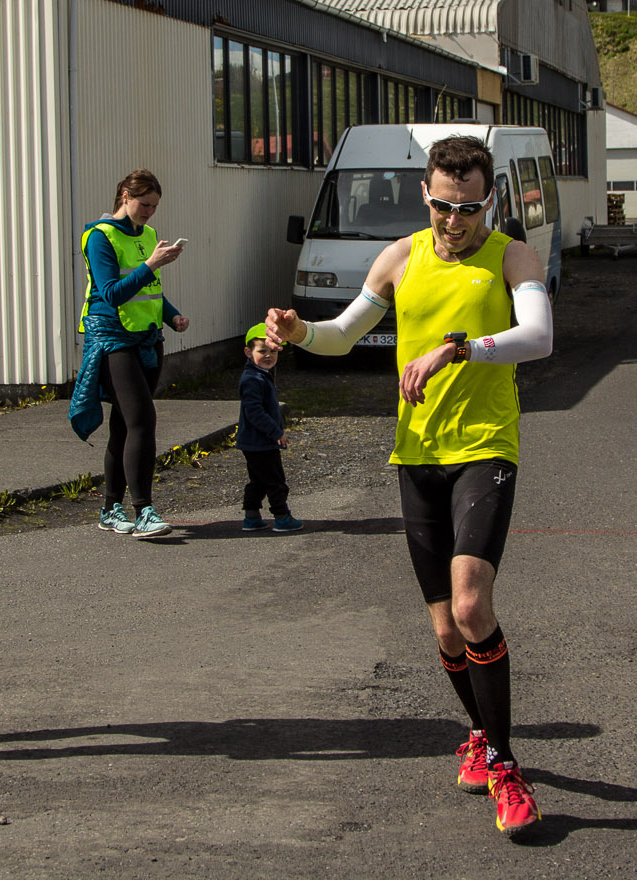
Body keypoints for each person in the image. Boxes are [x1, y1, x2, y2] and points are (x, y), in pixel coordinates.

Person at [266, 135, 553, 839]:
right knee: (445, 628)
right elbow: (342, 334)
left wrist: (458, 348)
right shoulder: (399, 258)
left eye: (469, 208)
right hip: (417, 456)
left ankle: (506, 768)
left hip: (485, 449)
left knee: (471, 602)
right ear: (425, 193)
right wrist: (299, 331)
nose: (454, 221)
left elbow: (539, 337)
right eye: (443, 206)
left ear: (490, 200)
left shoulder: (512, 256)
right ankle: (479, 735)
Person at [67, 169, 188, 540]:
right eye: (144, 204)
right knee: (142, 420)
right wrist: (152, 264)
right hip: (113, 338)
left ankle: (110, 508)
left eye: (154, 206)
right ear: (125, 196)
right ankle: (143, 510)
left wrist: (171, 316)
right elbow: (112, 292)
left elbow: (150, 290)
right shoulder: (99, 236)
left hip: (147, 339)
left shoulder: (148, 235)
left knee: (124, 424)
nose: (149, 212)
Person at [235, 322, 300, 534]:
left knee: (259, 480)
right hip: (260, 442)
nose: (268, 356)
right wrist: (276, 432)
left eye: (273, 351)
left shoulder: (262, 374)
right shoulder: (253, 379)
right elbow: (254, 412)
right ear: (248, 352)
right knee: (275, 481)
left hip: (256, 442)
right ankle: (282, 517)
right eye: (262, 351)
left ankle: (251, 517)